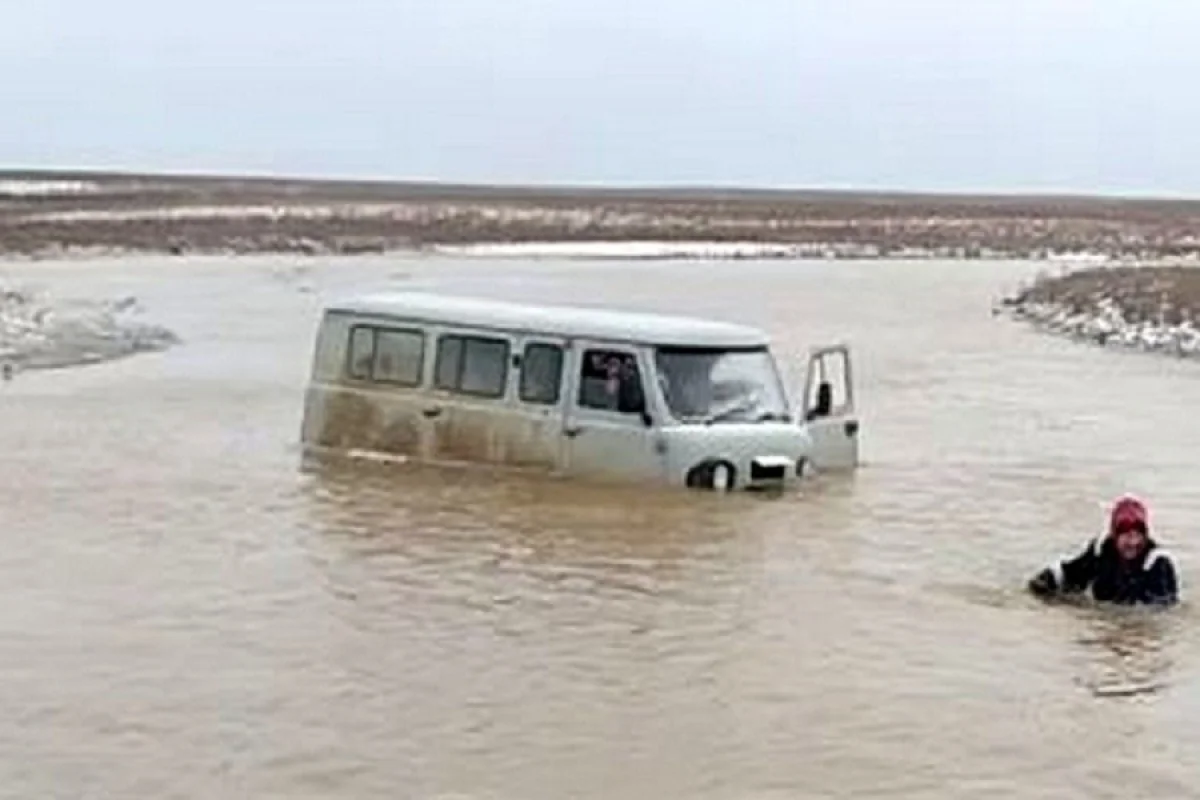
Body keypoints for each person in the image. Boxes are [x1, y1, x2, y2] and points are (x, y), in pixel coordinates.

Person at [1027, 495, 1179, 607]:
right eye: (1126, 536)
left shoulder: (1158, 563)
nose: (1133, 543)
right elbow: (1070, 575)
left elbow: (1160, 613)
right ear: (1114, 535)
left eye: (1138, 535)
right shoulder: (1101, 551)